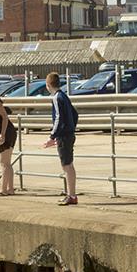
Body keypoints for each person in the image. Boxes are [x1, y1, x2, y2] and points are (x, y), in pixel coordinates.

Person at [42, 72, 79, 206]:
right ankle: (71, 193)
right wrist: (71, 128)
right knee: (68, 164)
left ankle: (72, 195)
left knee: (66, 165)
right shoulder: (64, 96)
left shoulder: (56, 97)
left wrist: (53, 136)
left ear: (48, 85)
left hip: (64, 135)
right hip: (68, 134)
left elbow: (58, 118)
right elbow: (75, 114)